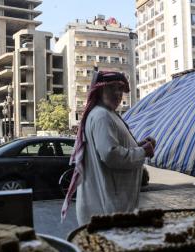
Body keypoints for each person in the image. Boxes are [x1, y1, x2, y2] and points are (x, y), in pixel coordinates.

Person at [61, 71, 155, 225]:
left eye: (120, 89)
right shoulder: (101, 116)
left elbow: (114, 147)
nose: (118, 93)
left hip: (111, 205)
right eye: (112, 88)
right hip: (105, 209)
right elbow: (111, 155)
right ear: (99, 90)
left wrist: (139, 146)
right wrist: (143, 151)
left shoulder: (107, 114)